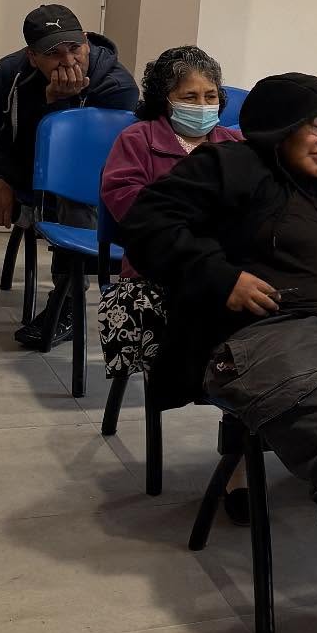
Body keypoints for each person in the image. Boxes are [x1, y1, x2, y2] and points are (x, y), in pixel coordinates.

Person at [119, 73, 317, 633]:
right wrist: (220, 277)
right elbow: (144, 224)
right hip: (274, 333)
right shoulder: (228, 166)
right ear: (281, 121)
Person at [0, 4, 138, 349]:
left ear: (86, 41)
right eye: (53, 53)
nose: (68, 61)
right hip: (14, 170)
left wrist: (58, 106)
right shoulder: (10, 72)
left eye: (74, 48)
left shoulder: (116, 86)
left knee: (77, 191)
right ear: (32, 57)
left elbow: (80, 163)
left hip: (77, 184)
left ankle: (67, 301)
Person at [97, 46, 244, 519]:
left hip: (222, 271)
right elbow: (132, 210)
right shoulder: (138, 141)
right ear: (165, 98)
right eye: (190, 95)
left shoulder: (236, 144)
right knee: (230, 325)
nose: (203, 105)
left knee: (266, 322)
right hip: (156, 276)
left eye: (210, 96)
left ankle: (237, 461)